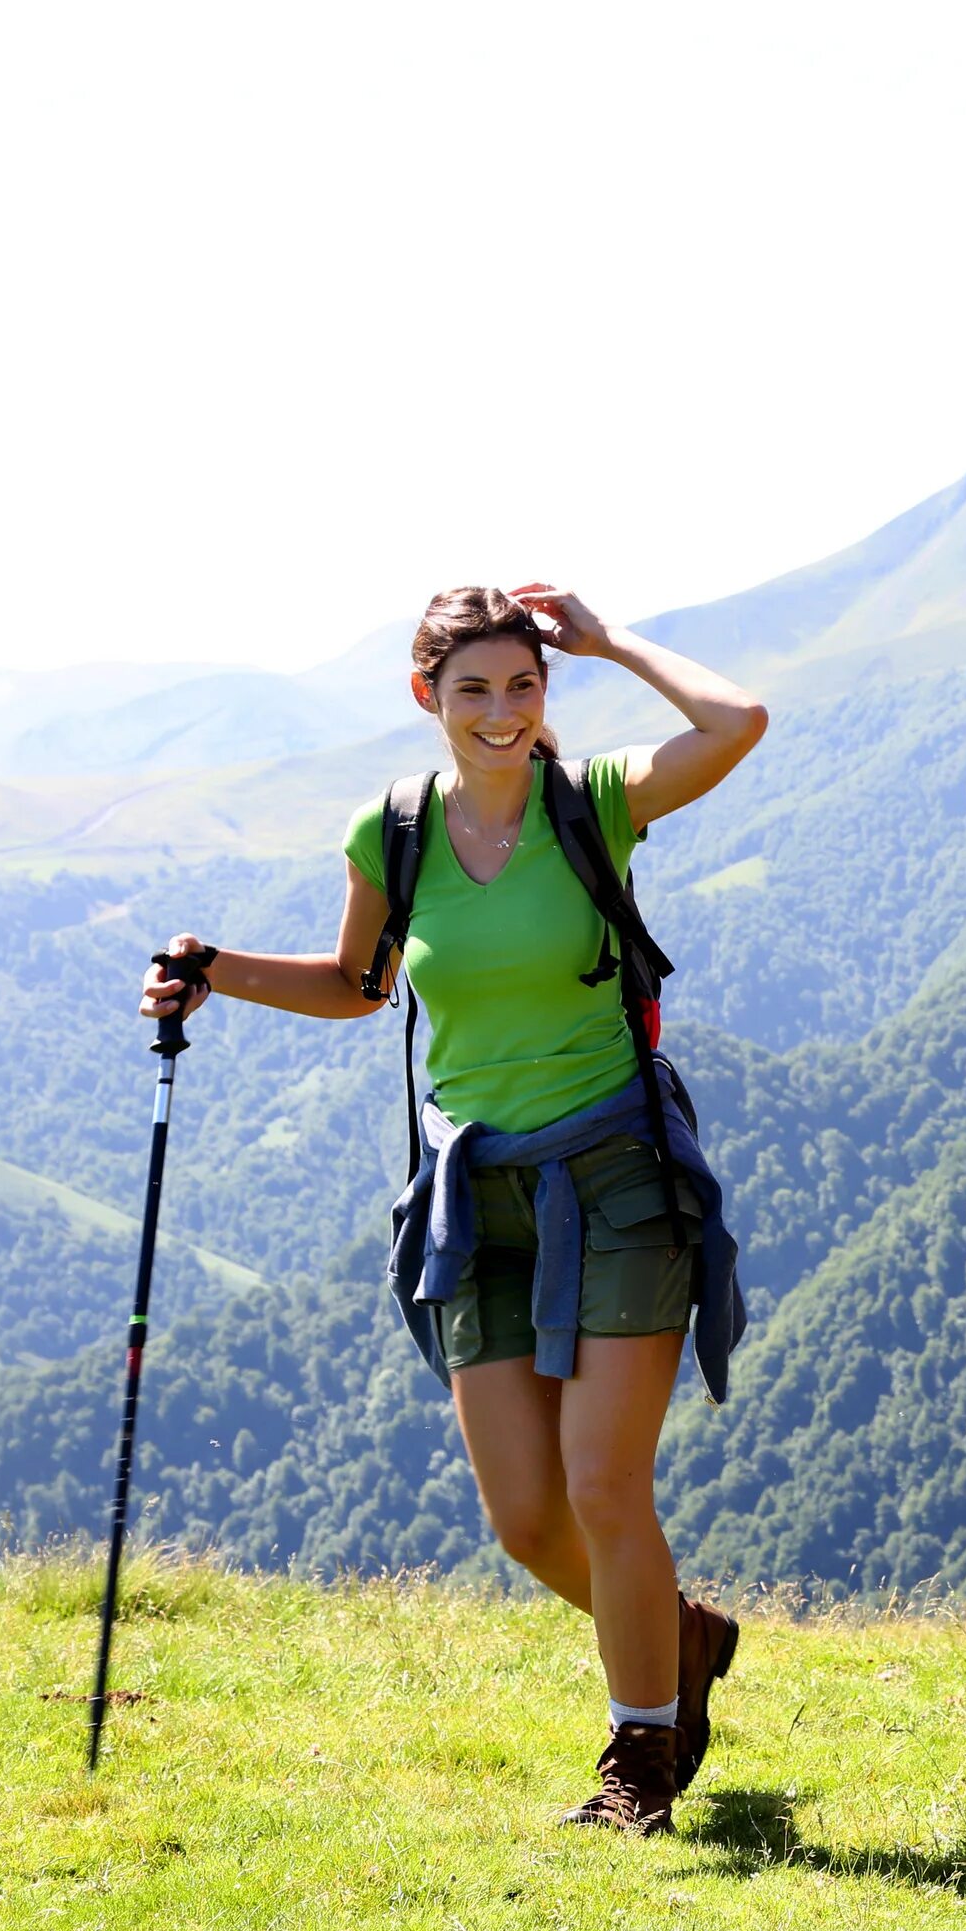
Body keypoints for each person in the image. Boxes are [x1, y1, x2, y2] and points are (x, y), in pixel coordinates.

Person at [136, 583, 768, 1836]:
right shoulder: (395, 833)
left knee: (603, 1483)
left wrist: (607, 639)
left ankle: (641, 1752)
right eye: (473, 688)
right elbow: (358, 982)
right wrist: (220, 976)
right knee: (526, 1517)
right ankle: (682, 1639)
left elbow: (736, 720)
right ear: (426, 696)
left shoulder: (590, 802)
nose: (500, 712)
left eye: (523, 686)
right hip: (471, 1194)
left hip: (619, 1176)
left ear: (547, 694)